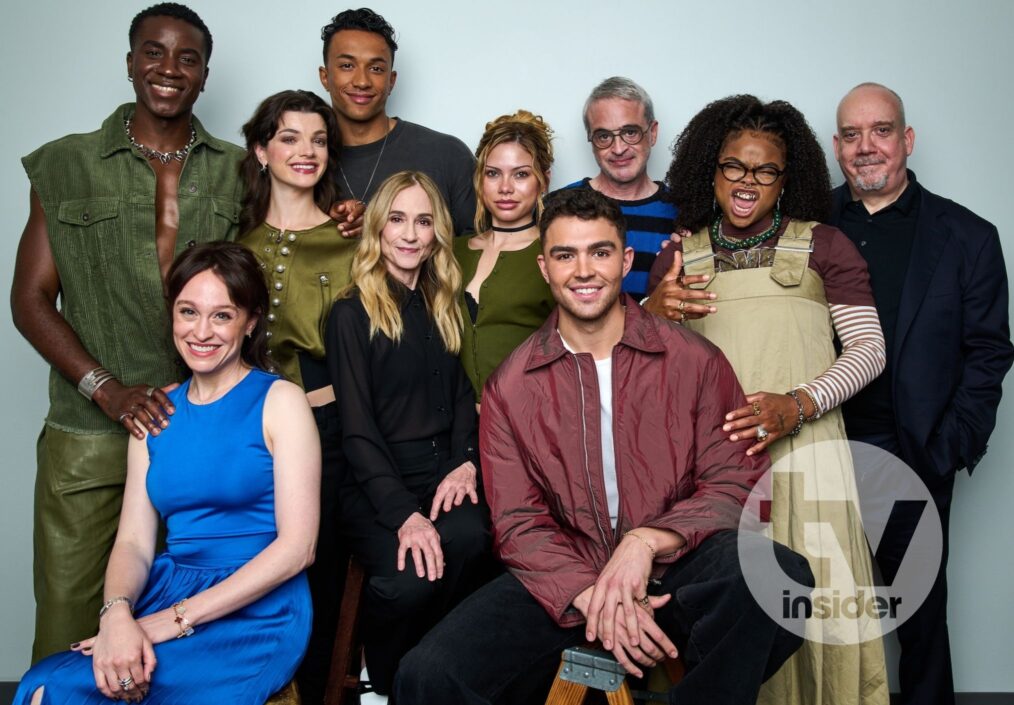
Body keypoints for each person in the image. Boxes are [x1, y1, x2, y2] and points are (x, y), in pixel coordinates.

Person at [393, 188, 813, 705]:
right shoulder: (512, 386)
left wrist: (645, 542)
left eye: (600, 251)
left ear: (626, 259)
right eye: (566, 255)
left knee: (781, 578)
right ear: (544, 267)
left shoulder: (694, 360)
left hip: (675, 569)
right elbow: (519, 521)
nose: (584, 270)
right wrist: (595, 596)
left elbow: (735, 480)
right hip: (565, 580)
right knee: (425, 676)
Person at [9, 3, 248, 662]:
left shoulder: (239, 169)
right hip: (89, 434)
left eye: (187, 57)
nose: (169, 69)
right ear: (130, 62)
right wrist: (106, 389)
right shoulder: (67, 164)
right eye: (154, 51)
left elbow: (275, 267)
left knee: (182, 629)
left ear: (204, 74)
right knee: (67, 629)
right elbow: (29, 300)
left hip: (198, 432)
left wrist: (344, 212)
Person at [645, 94, 889, 705]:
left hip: (809, 457)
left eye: (765, 170)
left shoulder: (825, 246)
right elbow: (639, 376)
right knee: (735, 616)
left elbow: (869, 351)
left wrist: (799, 404)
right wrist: (649, 315)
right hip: (714, 471)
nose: (747, 182)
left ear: (788, 178)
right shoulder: (679, 255)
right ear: (712, 169)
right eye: (734, 166)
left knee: (824, 613)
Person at [14, 242, 320, 705]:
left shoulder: (280, 402)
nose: (202, 331)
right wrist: (117, 615)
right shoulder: (156, 413)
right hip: (168, 590)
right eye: (188, 311)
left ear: (251, 321)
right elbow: (134, 543)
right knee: (43, 687)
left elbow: (298, 550)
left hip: (258, 609)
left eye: (222, 315)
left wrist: (170, 622)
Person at [829, 82, 1014, 705]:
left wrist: (947, 448)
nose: (865, 147)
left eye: (880, 130)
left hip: (914, 452)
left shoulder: (968, 237)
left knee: (920, 618)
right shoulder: (805, 226)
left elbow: (988, 352)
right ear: (836, 147)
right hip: (817, 448)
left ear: (907, 140)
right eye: (851, 135)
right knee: (808, 613)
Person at [324, 171, 490, 694]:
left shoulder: (455, 305)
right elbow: (357, 429)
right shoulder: (351, 314)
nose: (410, 234)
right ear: (377, 227)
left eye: (423, 221)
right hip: (375, 481)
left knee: (474, 540)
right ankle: (389, 678)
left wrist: (466, 461)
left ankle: (442, 671)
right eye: (397, 219)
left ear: (438, 230)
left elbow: (466, 395)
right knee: (410, 581)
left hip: (444, 470)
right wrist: (405, 516)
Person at [233, 89, 357, 705]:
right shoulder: (237, 239)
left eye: (317, 139)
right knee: (247, 568)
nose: (305, 151)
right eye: (288, 137)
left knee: (319, 567)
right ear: (261, 149)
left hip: (325, 431)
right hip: (244, 434)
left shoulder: (352, 238)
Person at [318, 8, 476, 235]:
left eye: (376, 68)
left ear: (391, 81)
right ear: (325, 76)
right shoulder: (302, 162)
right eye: (347, 66)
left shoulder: (447, 155)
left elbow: (478, 251)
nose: (362, 81)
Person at [454, 110, 555, 401]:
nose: (505, 188)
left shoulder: (555, 253)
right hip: (456, 430)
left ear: (544, 180)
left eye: (521, 174)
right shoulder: (451, 250)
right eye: (493, 173)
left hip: (529, 419)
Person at [557, 77, 677, 299]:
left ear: (652, 133)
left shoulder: (684, 212)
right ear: (591, 140)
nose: (619, 148)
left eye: (630, 132)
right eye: (604, 136)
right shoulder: (557, 206)